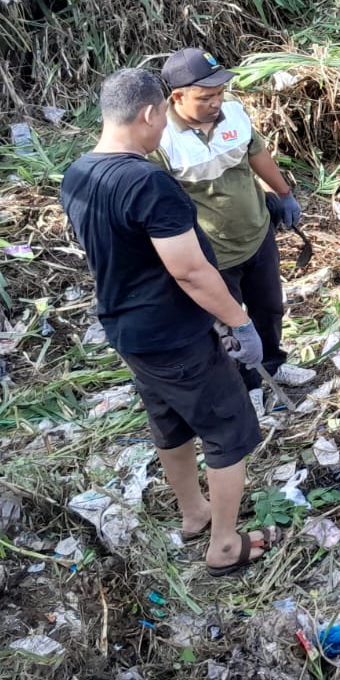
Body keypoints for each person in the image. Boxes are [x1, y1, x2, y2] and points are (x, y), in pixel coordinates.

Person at [61, 69, 276, 577]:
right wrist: (239, 322)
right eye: (161, 118)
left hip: (129, 331)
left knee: (172, 424)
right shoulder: (147, 181)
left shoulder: (78, 173)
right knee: (230, 428)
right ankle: (224, 544)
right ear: (150, 113)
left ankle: (193, 512)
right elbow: (189, 268)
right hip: (174, 333)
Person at [151, 48, 311, 403]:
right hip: (212, 252)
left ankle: (274, 361)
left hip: (257, 233)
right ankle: (248, 386)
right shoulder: (161, 140)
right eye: (206, 97)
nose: (216, 102)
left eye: (220, 93)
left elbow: (257, 155)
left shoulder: (233, 113)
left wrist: (284, 194)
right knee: (231, 324)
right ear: (177, 97)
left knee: (268, 307)